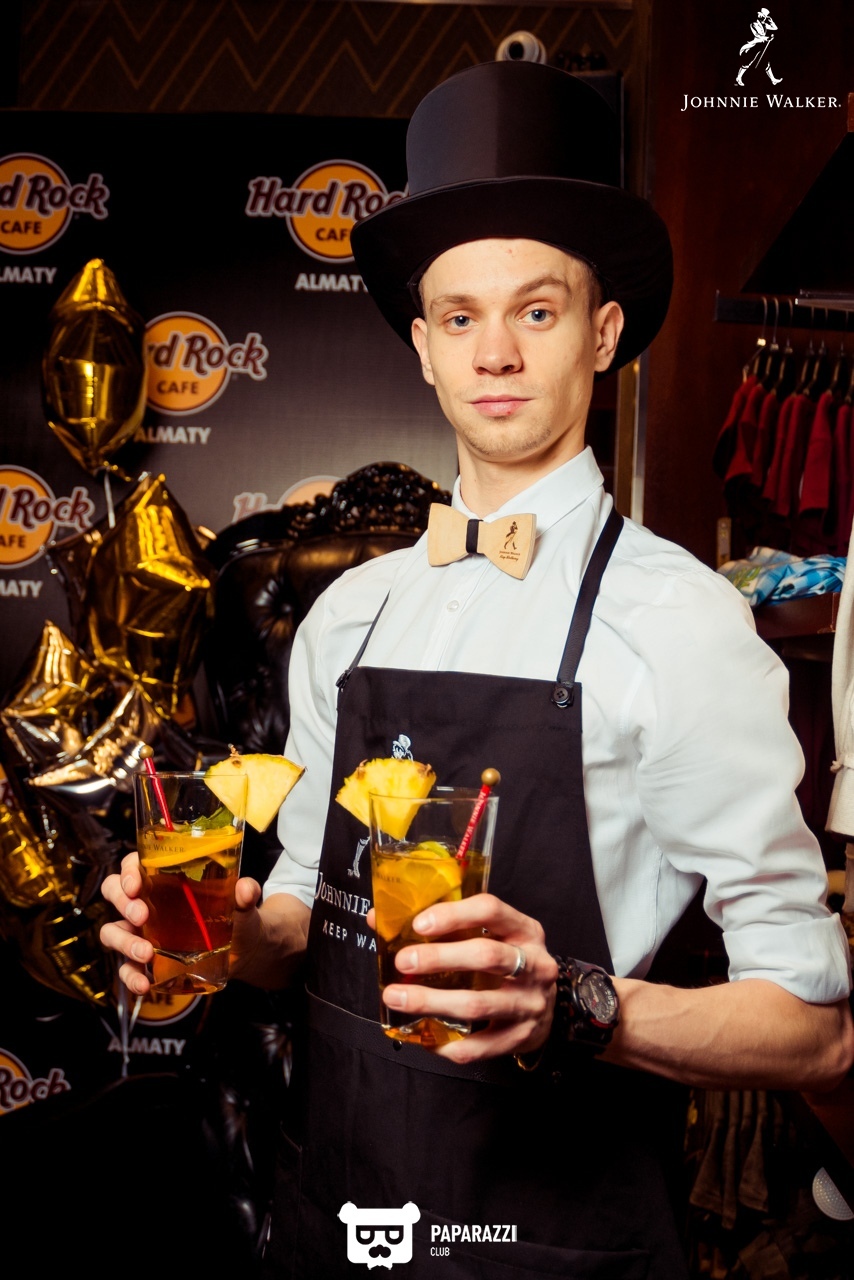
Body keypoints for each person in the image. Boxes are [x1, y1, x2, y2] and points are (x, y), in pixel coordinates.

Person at [101, 61, 853, 1278]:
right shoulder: (348, 615)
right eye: (459, 317)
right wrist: (225, 933)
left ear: (602, 332)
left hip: (554, 1240)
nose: (494, 351)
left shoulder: (681, 622)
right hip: (340, 1219)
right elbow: (302, 913)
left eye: (535, 311)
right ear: (421, 347)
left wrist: (574, 1007)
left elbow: (812, 1033)